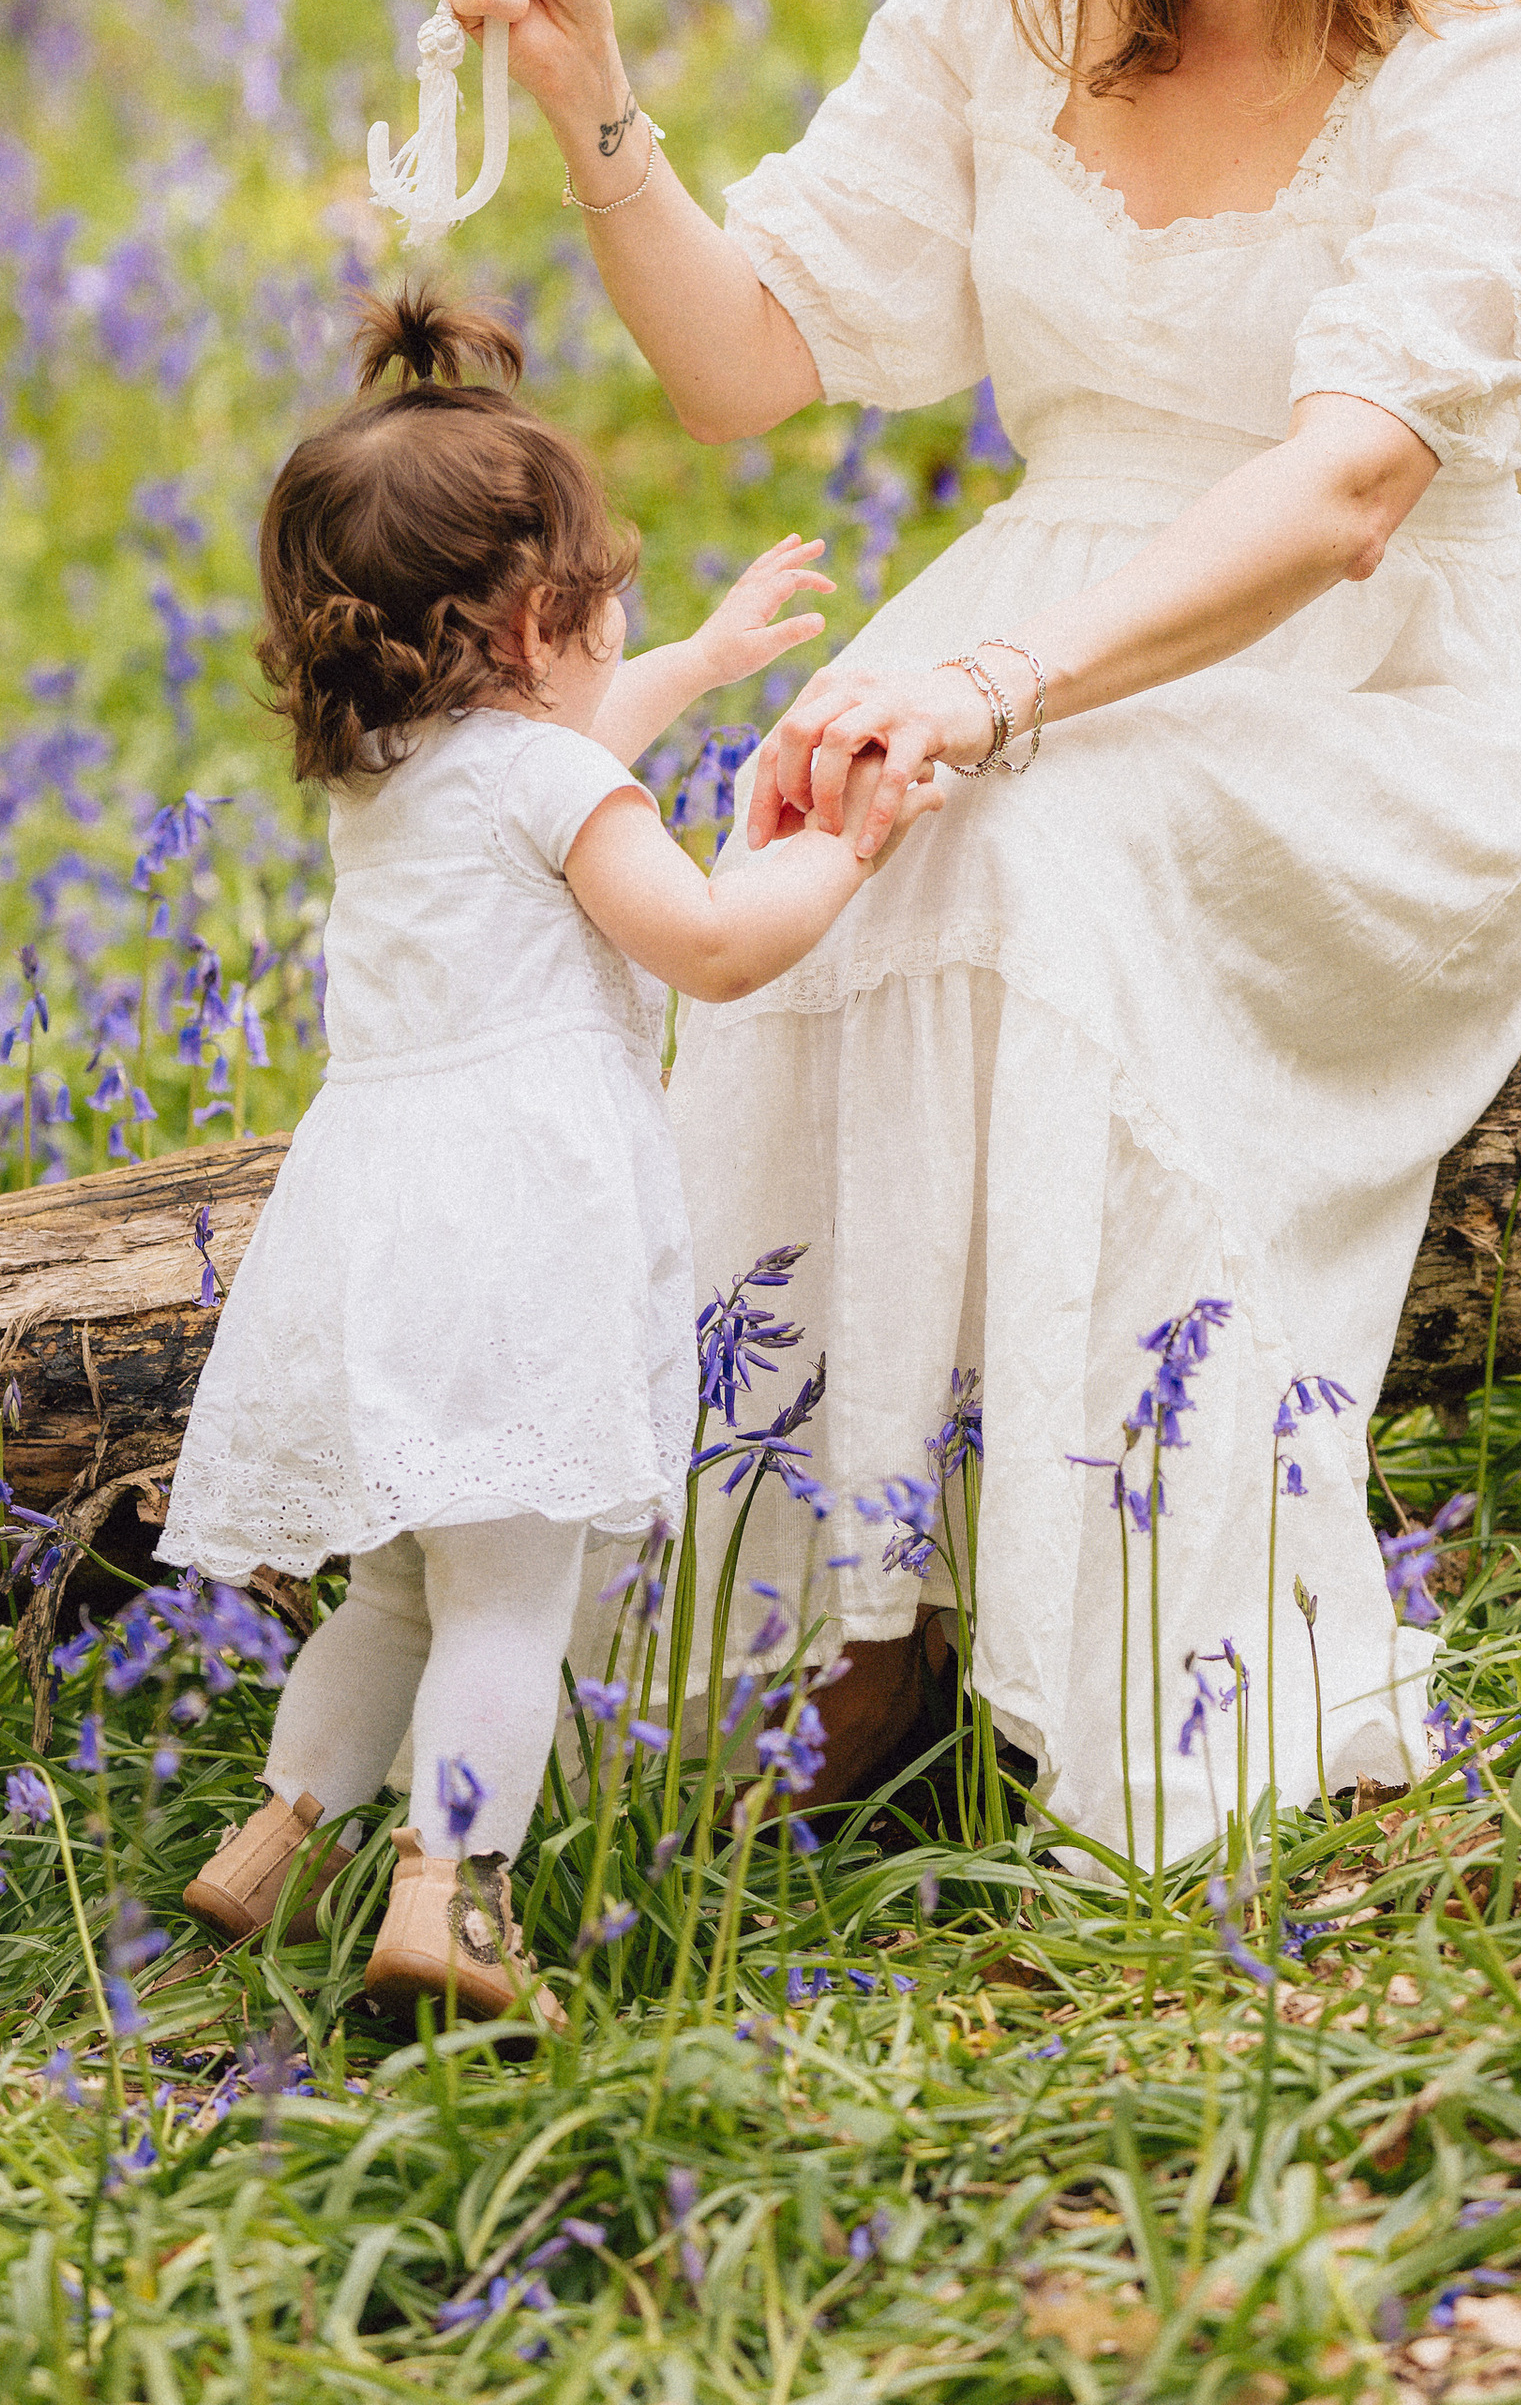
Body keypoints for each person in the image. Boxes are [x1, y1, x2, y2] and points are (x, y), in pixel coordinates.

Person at [451, 0, 1521, 1863]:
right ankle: (849, 1601)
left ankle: (1087, 1635)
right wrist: (592, 94)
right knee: (818, 855)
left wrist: (1000, 691)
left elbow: (1334, 501)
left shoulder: (1502, 82)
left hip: (1369, 689)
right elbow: (743, 362)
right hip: (1045, 601)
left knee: (1045, 844)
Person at [161, 288, 936, 2021]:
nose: (621, 633)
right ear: (523, 623)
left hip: (370, 1230)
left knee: (399, 1588)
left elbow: (569, 734)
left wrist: (709, 664)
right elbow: (720, 943)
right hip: (514, 1236)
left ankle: (280, 1835)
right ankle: (451, 1899)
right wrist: (856, 848)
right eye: (606, 609)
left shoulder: (392, 774)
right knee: (516, 1594)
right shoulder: (559, 796)